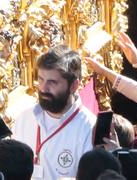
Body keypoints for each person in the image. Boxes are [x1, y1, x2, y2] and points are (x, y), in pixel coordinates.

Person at [8, 46, 96, 180]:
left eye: (52, 82)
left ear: (73, 85)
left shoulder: (89, 128)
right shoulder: (25, 118)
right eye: (41, 79)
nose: (43, 88)